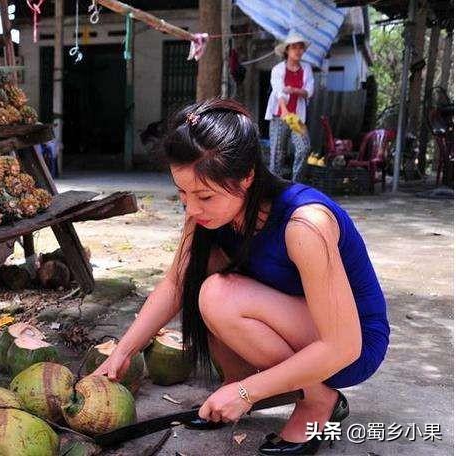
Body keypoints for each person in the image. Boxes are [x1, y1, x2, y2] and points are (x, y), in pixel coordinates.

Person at [93, 99, 389, 455]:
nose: (191, 208)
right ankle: (245, 382)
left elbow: (343, 346)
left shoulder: (305, 224)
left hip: (350, 345)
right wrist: (123, 352)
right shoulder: (209, 215)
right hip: (298, 323)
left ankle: (317, 400)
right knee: (204, 278)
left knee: (217, 295)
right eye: (182, 193)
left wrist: (247, 392)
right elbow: (174, 283)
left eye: (204, 195)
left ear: (247, 175)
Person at [265, 32, 314, 182]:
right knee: (277, 155)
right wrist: (285, 111)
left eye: (301, 47)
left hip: (297, 118)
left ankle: (296, 184)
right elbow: (279, 91)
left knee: (304, 148)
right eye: (294, 47)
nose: (298, 51)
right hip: (279, 115)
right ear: (287, 50)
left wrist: (294, 90)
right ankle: (275, 190)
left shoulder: (306, 68)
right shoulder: (278, 69)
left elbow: (309, 92)